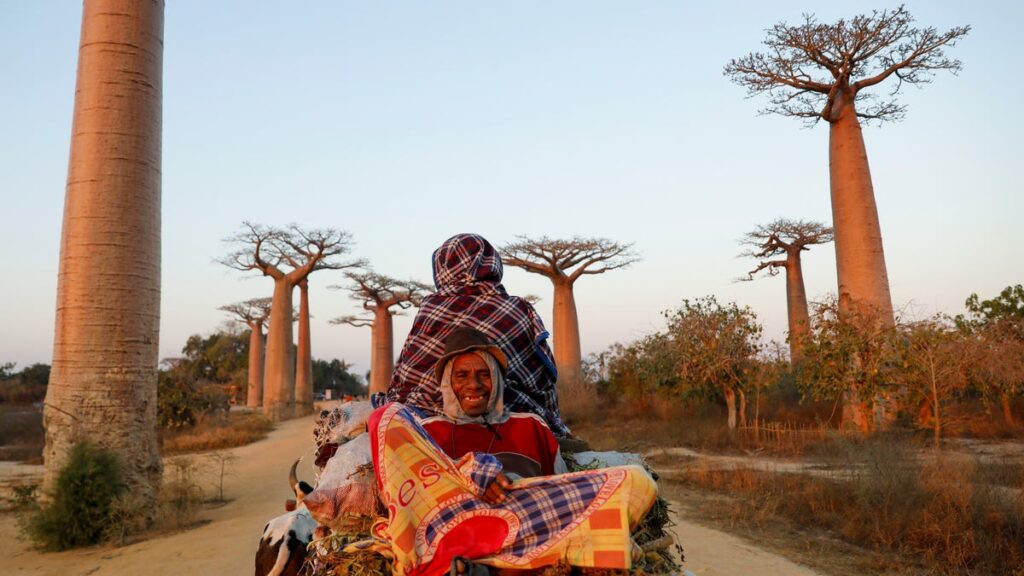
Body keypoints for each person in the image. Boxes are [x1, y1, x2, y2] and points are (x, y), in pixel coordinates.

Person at [365, 329, 657, 575]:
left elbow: (558, 488)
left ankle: (486, 565)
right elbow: (384, 423)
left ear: (498, 379)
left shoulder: (530, 426)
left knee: (636, 480)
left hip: (530, 525)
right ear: (446, 382)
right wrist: (472, 472)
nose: (474, 385)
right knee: (390, 415)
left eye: (484, 374)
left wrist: (517, 492)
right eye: (462, 375)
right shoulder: (428, 431)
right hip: (459, 529)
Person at [386, 233, 569, 437]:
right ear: (492, 265)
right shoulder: (517, 309)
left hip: (427, 417)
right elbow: (542, 380)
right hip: (517, 413)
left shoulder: (431, 308)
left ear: (442, 268)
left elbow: (405, 378)